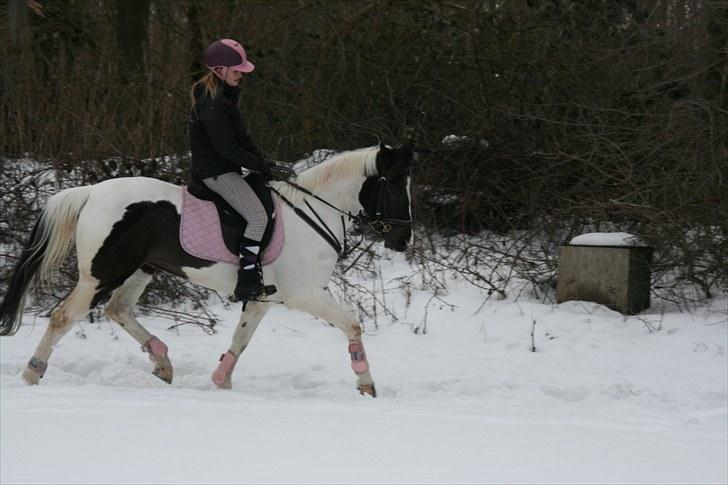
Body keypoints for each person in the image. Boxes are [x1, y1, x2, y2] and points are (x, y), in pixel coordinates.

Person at [189, 38, 275, 301]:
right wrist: (256, 164)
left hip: (226, 167)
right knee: (258, 217)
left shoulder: (225, 98)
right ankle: (247, 279)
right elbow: (227, 148)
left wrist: (262, 161)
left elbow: (242, 138)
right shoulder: (213, 104)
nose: (240, 74)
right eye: (236, 70)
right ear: (219, 70)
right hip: (215, 172)